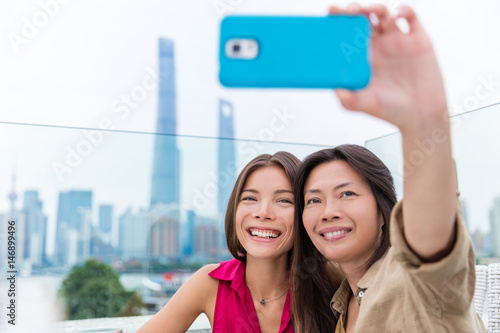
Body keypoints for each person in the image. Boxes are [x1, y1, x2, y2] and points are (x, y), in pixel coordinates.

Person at [291, 4, 486, 333]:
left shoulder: (411, 282)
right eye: (313, 200)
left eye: (347, 193)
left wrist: (423, 121)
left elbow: (430, 243)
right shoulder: (342, 303)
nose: (328, 212)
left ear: (385, 212)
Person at [138, 152, 300, 333]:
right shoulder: (210, 282)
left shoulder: (324, 284)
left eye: (284, 200)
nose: (263, 212)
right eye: (250, 198)